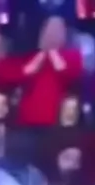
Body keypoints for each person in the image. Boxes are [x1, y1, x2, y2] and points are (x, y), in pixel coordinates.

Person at [11, 16, 82, 166]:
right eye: (48, 30)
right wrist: (42, 54)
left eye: (56, 31)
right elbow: (24, 74)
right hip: (28, 119)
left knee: (47, 162)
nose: (51, 34)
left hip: (55, 121)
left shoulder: (72, 56)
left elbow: (68, 74)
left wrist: (53, 52)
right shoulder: (32, 56)